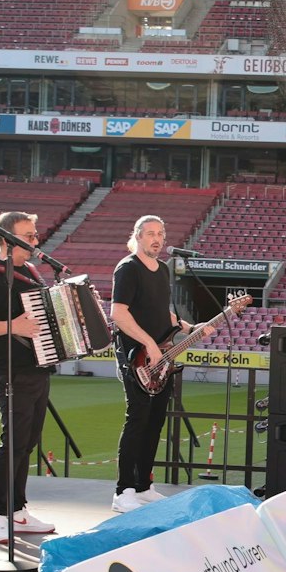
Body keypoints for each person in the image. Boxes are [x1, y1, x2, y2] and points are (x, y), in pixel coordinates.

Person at [0, 211, 57, 545]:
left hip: (37, 367)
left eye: (35, 234)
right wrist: (16, 327)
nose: (35, 240)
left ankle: (17, 509)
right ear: (6, 238)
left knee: (27, 442)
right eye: (28, 235)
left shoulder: (30, 272)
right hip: (10, 369)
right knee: (12, 442)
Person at [110, 215, 181, 514]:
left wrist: (191, 328)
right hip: (135, 356)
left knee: (155, 421)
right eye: (150, 233)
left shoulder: (163, 270)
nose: (156, 238)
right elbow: (119, 314)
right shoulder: (128, 268)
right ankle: (123, 490)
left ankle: (143, 486)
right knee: (137, 419)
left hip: (161, 359)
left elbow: (165, 316)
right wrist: (149, 343)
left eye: (160, 233)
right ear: (137, 236)